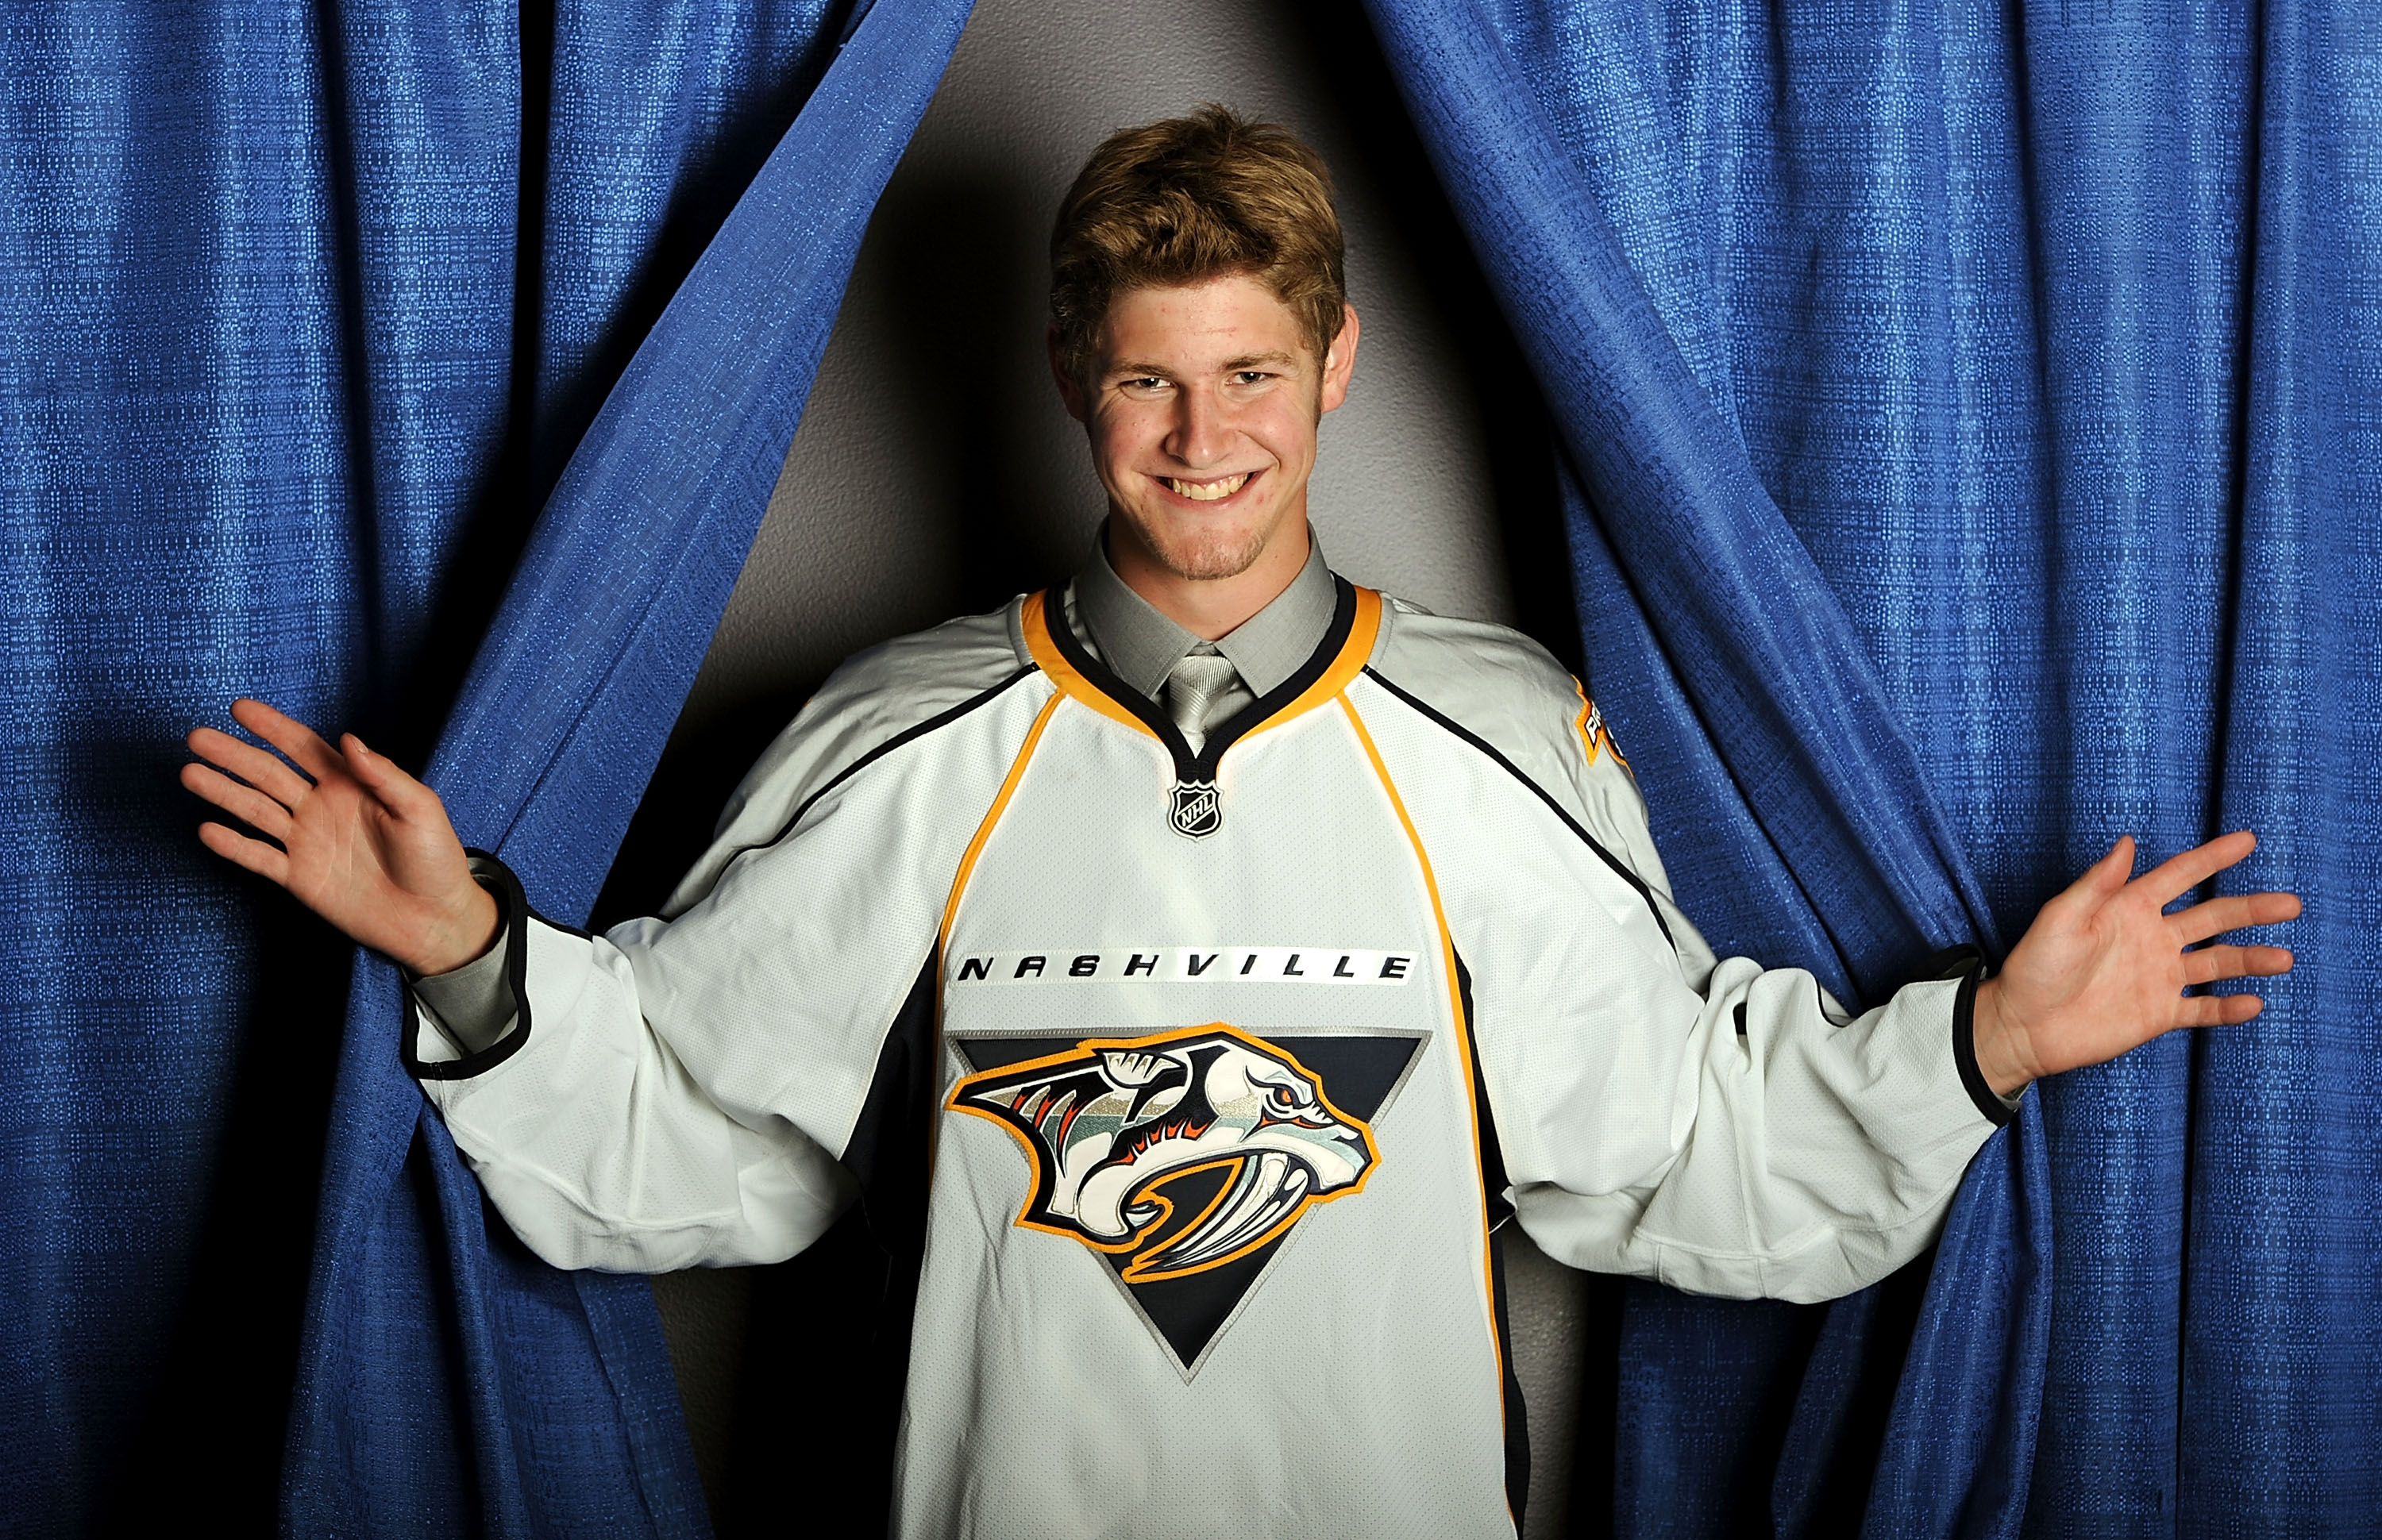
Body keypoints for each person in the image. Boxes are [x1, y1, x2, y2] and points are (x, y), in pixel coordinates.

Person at [182, 106, 2296, 1538]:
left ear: (1337, 364)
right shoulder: (902, 732)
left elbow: (1675, 1141)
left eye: (1253, 375)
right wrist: (465, 948)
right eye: (1148, 379)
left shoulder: (1503, 731)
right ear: (1069, 376)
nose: (1204, 439)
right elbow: (692, 1129)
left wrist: (1990, 1041)